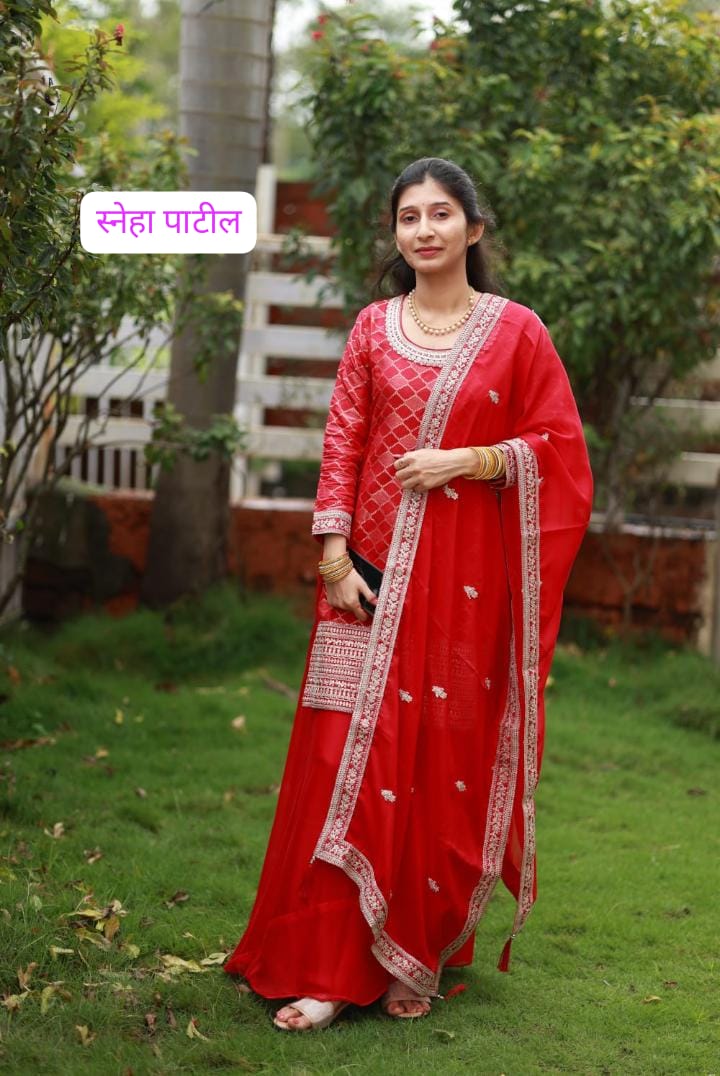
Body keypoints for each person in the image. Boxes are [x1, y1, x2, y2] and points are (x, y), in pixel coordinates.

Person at [223, 156, 593, 1031]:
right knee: (337, 768)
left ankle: (410, 954)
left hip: (460, 594)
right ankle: (324, 968)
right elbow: (342, 439)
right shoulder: (372, 327)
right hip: (364, 579)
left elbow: (559, 451)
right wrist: (333, 560)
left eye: (440, 213)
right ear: (396, 233)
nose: (423, 229)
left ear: (473, 227)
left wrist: (468, 460)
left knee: (436, 765)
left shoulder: (516, 332)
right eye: (408, 217)